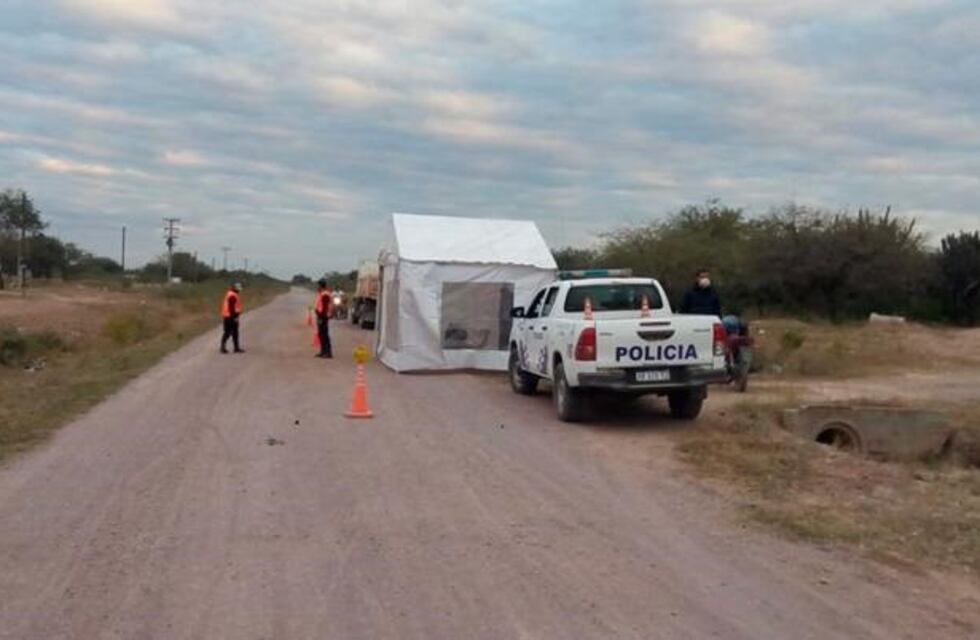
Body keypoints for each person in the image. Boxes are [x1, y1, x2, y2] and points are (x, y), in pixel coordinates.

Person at [220, 282, 245, 354]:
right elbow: (232, 308)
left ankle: (236, 348)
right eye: (239, 289)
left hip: (228, 316)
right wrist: (235, 317)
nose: (240, 290)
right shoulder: (232, 295)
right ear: (235, 288)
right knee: (228, 332)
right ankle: (223, 347)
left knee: (234, 332)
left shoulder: (230, 294)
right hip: (230, 317)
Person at [314, 279, 333, 358]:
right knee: (321, 334)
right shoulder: (321, 293)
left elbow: (325, 307)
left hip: (323, 316)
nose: (317, 287)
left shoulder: (325, 294)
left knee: (324, 334)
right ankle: (322, 351)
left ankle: (328, 353)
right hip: (321, 315)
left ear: (321, 285)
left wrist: (321, 317)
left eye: (318, 285)